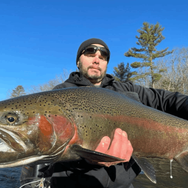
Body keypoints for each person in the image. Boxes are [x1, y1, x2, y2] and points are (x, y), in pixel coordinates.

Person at [21, 38, 188, 188]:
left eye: (103, 57)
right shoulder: (61, 94)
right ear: (78, 61)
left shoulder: (126, 89)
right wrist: (89, 160)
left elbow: (166, 100)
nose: (96, 59)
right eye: (89, 53)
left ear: (106, 64)